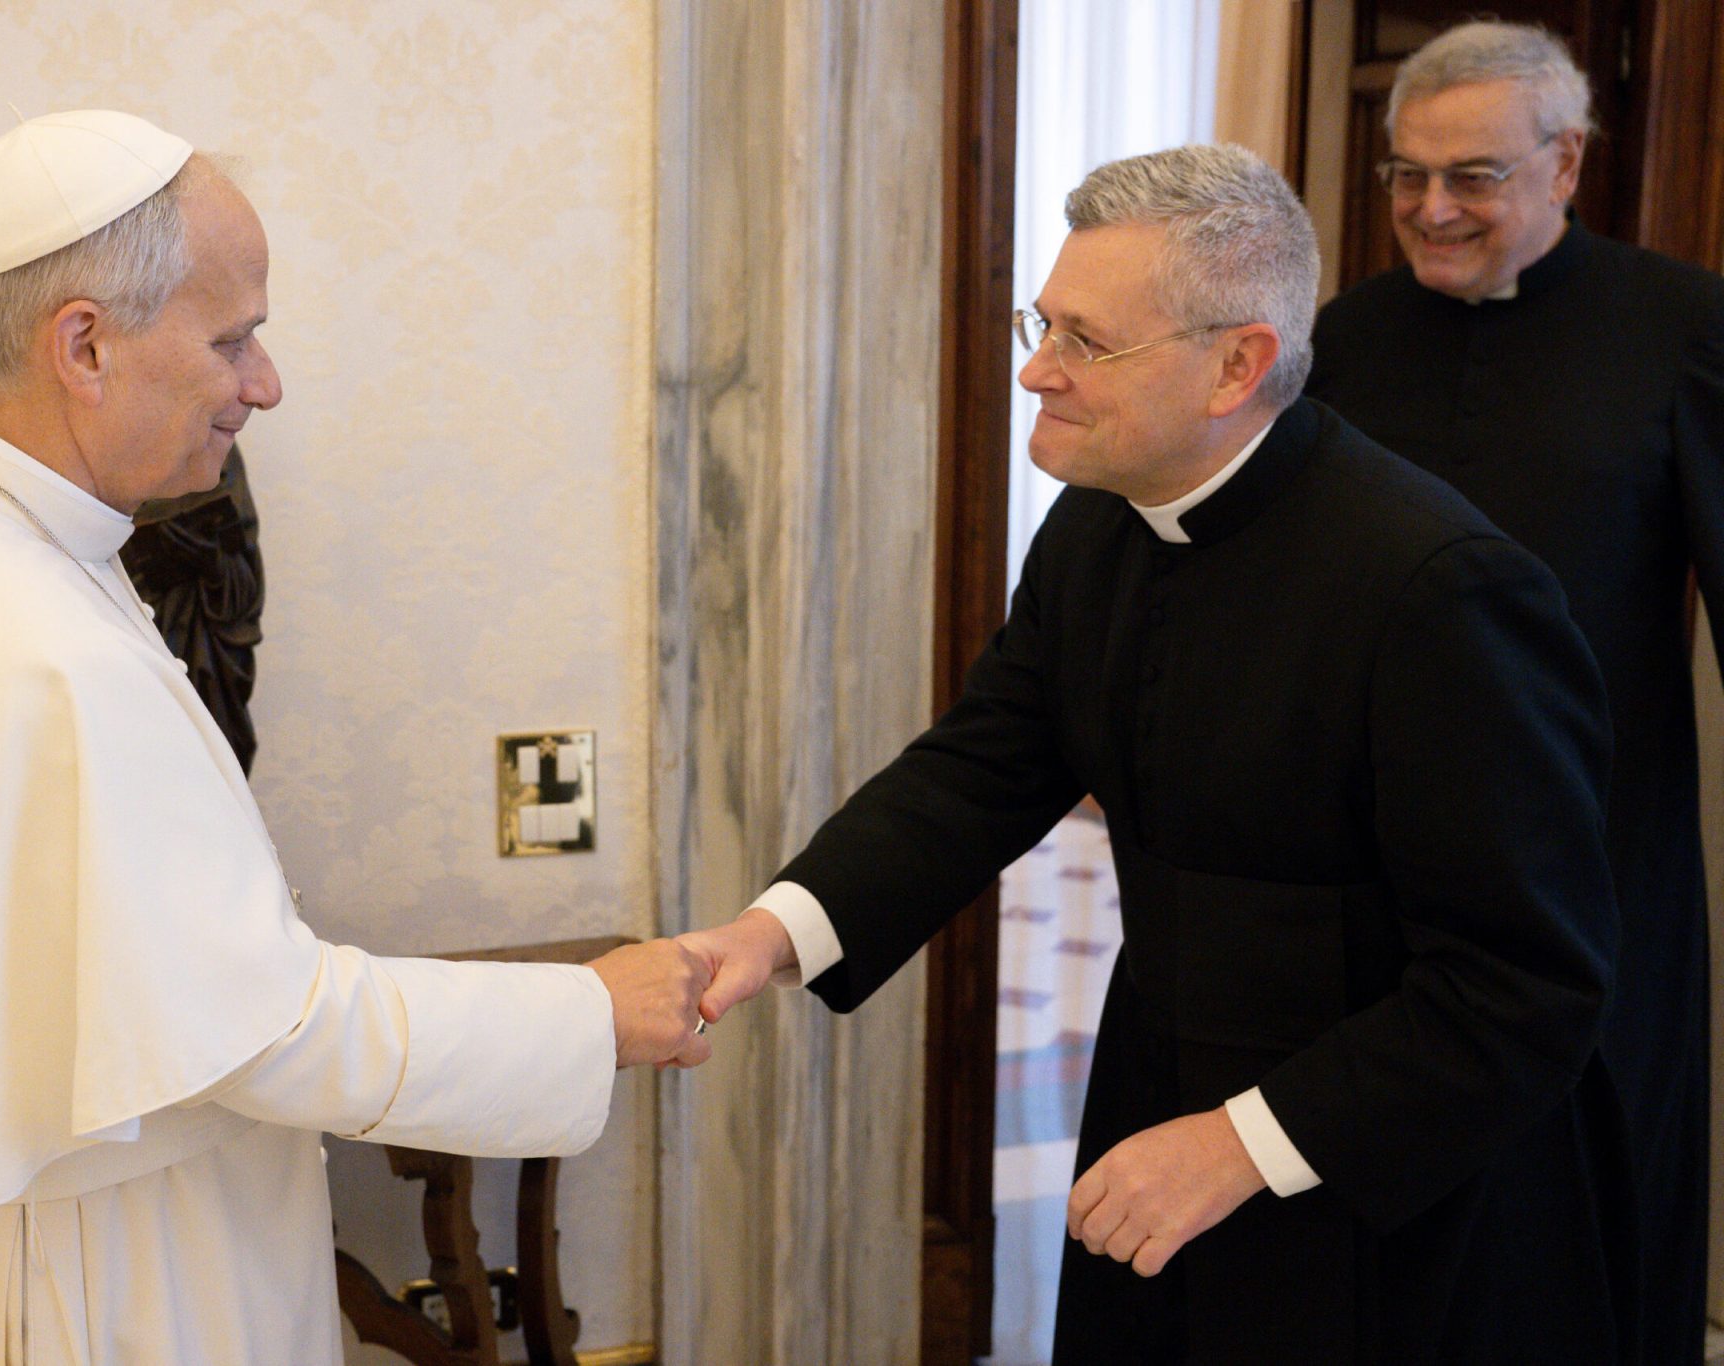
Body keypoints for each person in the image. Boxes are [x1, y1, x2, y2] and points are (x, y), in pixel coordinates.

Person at [0, 110, 709, 1364]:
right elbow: (271, 1028)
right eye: (232, 338)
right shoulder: (32, 644)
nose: (264, 382)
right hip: (97, 1288)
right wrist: (589, 1012)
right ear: (84, 344)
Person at [683, 143, 1632, 1362]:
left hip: (1387, 1171)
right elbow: (982, 766)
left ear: (1235, 363)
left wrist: (1239, 1142)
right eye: (1044, 324)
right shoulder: (1098, 520)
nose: (1036, 369)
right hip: (1159, 1097)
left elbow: (1525, 986)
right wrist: (766, 936)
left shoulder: (1438, 588)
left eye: (1085, 341)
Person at [1303, 22, 1724, 1361]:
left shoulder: (1683, 327)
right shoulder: (1341, 341)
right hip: (1378, 870)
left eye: (1472, 176)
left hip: (1599, 855)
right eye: (1408, 174)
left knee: (1592, 1212)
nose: (1431, 208)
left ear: (1567, 163)